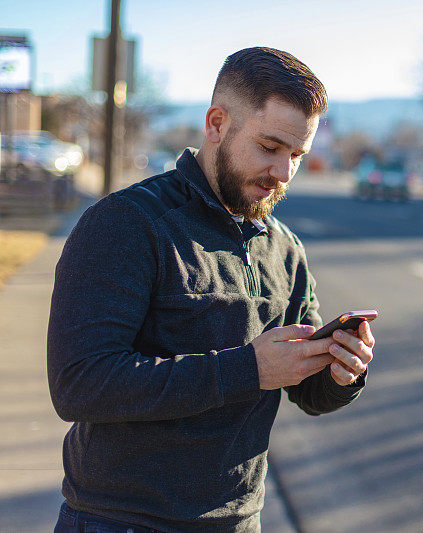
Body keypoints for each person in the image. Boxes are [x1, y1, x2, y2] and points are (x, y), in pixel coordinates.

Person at [47, 47, 374, 532]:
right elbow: (80, 385)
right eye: (269, 147)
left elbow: (306, 393)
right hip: (121, 520)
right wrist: (249, 368)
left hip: (239, 521)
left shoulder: (284, 248)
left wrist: (341, 372)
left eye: (297, 155)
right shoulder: (127, 224)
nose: (283, 173)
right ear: (217, 124)